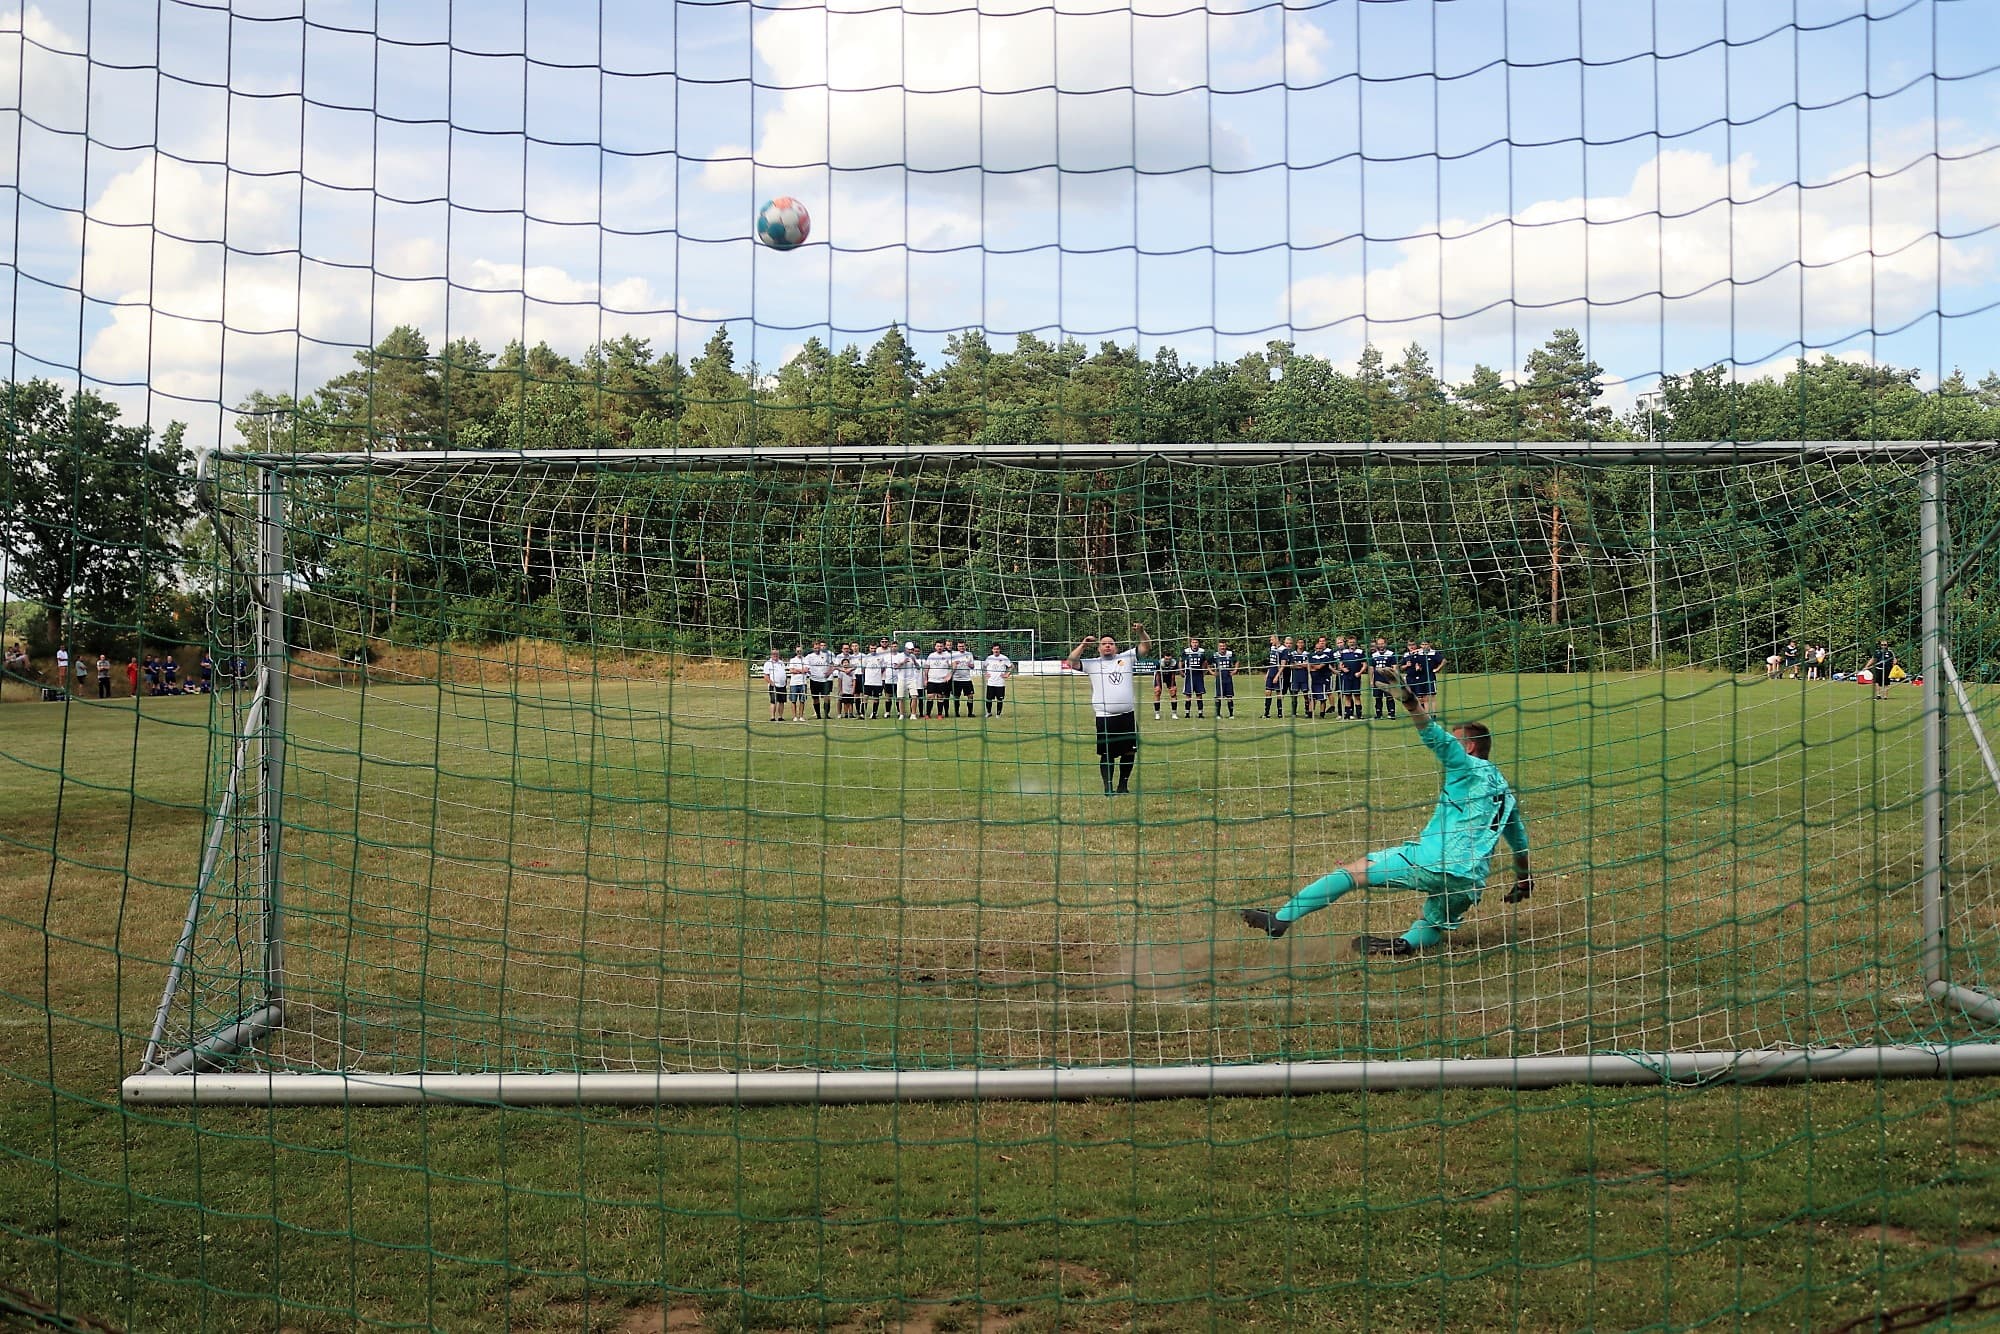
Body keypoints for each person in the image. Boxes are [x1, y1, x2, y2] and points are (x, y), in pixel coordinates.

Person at [1240, 664, 1533, 955]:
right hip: (1470, 881)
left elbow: (1432, 734)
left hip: (1434, 860)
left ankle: (1280, 919)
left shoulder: (1465, 765)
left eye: (1456, 740)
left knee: (1351, 874)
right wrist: (1524, 880)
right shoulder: (1506, 794)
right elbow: (1519, 843)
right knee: (1433, 922)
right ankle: (1405, 944)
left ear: (1468, 748)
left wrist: (1408, 700)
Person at [1068, 623, 1150, 796]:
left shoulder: (1126, 658)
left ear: (1116, 647)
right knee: (1107, 754)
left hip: (1127, 716)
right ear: (1098, 648)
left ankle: (1123, 786)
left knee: (1129, 753)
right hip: (1105, 718)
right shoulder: (1092, 664)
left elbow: (1146, 646)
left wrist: (1141, 632)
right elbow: (1071, 662)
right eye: (1104, 643)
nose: (1107, 645)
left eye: (1111, 643)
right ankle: (1108, 788)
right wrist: (1083, 645)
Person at [1336, 635, 1367, 720]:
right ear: (1347, 643)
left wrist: (1360, 673)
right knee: (1347, 696)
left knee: (1357, 696)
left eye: (1353, 642)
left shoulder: (1360, 652)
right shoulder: (1344, 652)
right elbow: (1340, 664)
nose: (1352, 644)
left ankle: (1359, 715)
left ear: (1355, 642)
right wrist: (1343, 669)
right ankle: (1347, 715)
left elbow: (1364, 665)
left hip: (1356, 677)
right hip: (1346, 677)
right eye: (1350, 642)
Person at [803, 639, 834, 721]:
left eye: (818, 647)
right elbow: (806, 667)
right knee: (815, 698)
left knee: (827, 697)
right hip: (814, 680)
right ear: (813, 648)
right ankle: (818, 715)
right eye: (815, 648)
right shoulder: (809, 657)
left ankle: (826, 714)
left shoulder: (826, 655)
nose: (817, 649)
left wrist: (829, 672)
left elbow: (832, 665)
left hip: (824, 680)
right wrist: (806, 670)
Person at [1369, 638, 1400, 718]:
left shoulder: (1391, 654)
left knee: (1389, 697)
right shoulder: (1373, 655)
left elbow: (1395, 667)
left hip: (1388, 680)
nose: (1381, 645)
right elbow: (1371, 668)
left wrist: (1395, 679)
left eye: (1382, 643)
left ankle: (1391, 713)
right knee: (1378, 698)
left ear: (1385, 644)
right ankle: (1379, 714)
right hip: (1377, 680)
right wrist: (1371, 680)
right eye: (1379, 644)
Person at [923, 640, 953, 719]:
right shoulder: (931, 655)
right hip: (932, 680)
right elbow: (926, 667)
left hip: (942, 681)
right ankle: (927, 714)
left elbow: (953, 666)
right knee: (930, 696)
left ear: (943, 647)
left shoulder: (947, 655)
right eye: (938, 646)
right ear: (935, 647)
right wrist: (925, 679)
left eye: (941, 646)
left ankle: (939, 714)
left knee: (940, 697)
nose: (939, 647)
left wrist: (949, 675)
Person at [1305, 636, 1334, 718]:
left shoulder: (1326, 657)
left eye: (1320, 649)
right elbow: (1308, 667)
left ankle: (1322, 714)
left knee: (1322, 698)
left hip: (1322, 680)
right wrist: (1311, 666)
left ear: (1322, 649)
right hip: (1313, 680)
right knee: (1312, 698)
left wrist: (1312, 666)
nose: (1318, 650)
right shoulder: (1311, 656)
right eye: (1317, 648)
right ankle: (1310, 714)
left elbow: (1319, 667)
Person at [982, 643, 1014, 717]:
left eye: (997, 649)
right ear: (992, 650)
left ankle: (998, 714)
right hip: (990, 682)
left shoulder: (1004, 658)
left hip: (1000, 683)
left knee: (1000, 700)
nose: (996, 650)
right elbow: (983, 666)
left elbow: (1012, 666)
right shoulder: (989, 658)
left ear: (1000, 650)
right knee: (988, 699)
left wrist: (1007, 674)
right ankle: (988, 712)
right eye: (994, 649)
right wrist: (985, 673)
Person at [1181, 637, 1208, 719]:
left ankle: (1200, 713)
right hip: (1189, 675)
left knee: (1199, 695)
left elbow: (1205, 662)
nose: (1195, 644)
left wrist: (1204, 672)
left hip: (1198, 675)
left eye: (1196, 642)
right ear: (1190, 643)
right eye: (1193, 642)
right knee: (1188, 695)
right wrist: (1181, 671)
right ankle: (1187, 714)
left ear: (1198, 643)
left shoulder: (1202, 651)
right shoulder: (1186, 651)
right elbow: (1181, 661)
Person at [1153, 643, 1181, 720]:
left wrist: (1172, 686)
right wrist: (1158, 685)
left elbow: (1173, 675)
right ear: (1163, 658)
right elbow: (1158, 675)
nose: (1168, 661)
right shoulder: (1159, 663)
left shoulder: (1174, 663)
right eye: (1166, 659)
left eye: (1169, 659)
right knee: (1157, 692)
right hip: (1160, 677)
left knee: (1173, 692)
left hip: (1169, 677)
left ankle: (1174, 714)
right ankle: (1157, 714)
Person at [951, 640, 977, 717]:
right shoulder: (954, 655)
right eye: (960, 646)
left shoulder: (969, 654)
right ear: (957, 647)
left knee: (970, 695)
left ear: (965, 646)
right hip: (956, 679)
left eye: (962, 646)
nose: (961, 648)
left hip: (967, 679)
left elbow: (972, 666)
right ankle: (956, 713)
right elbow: (950, 666)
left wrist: (969, 664)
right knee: (956, 697)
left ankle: (970, 713)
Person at [1285, 636, 1311, 715]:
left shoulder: (1307, 654)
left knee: (1306, 695)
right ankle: (1294, 713)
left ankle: (1307, 711)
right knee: (1294, 695)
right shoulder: (1292, 654)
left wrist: (1298, 664)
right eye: (1299, 642)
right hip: (1295, 677)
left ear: (1304, 644)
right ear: (1296, 644)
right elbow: (1291, 665)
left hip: (1304, 677)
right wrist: (1302, 664)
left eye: (1302, 643)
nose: (1300, 644)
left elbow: (1308, 665)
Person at [1263, 635, 1286, 719]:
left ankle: (1280, 713)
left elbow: (1283, 665)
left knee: (1278, 694)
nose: (1270, 641)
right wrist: (1268, 673)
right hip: (1271, 673)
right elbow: (1271, 663)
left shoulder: (1283, 649)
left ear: (1277, 639)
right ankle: (1266, 713)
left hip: (1278, 674)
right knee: (1267, 692)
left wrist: (1277, 676)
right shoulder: (1272, 648)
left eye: (1272, 640)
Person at [1213, 640, 1237, 718]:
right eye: (1220, 646)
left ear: (1226, 646)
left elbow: (1237, 661)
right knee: (1218, 696)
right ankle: (1218, 714)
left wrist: (1235, 670)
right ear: (1218, 647)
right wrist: (1212, 672)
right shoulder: (1215, 655)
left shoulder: (1230, 654)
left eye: (1223, 646)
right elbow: (1206, 663)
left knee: (1229, 696)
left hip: (1228, 677)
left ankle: (1231, 714)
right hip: (1219, 678)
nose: (1222, 648)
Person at [785, 647, 809, 721]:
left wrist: (797, 670)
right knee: (793, 700)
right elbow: (792, 670)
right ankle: (794, 716)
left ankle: (801, 716)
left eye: (800, 651)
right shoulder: (792, 660)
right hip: (794, 683)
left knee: (802, 700)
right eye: (798, 651)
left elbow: (806, 670)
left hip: (803, 683)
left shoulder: (805, 660)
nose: (799, 652)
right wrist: (801, 670)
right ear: (796, 651)